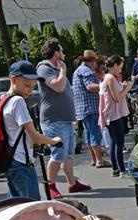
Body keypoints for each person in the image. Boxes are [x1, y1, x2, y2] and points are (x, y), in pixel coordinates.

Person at [37, 38, 91, 199]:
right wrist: (63, 71)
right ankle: (51, 186)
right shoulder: (44, 68)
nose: (64, 54)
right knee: (58, 155)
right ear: (55, 53)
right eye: (61, 51)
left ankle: (72, 184)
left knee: (67, 155)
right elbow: (59, 87)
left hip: (65, 119)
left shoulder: (57, 68)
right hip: (53, 120)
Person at [4, 61, 62, 200]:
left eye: (33, 86)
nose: (29, 90)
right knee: (32, 207)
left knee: (16, 208)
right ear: (13, 80)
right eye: (26, 85)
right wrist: (53, 141)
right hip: (21, 162)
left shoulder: (4, 99)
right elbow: (34, 136)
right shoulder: (18, 102)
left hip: (10, 161)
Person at [73, 50, 109, 168]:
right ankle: (99, 160)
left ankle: (94, 159)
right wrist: (104, 86)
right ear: (93, 61)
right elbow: (90, 86)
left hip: (81, 109)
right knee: (95, 135)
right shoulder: (86, 70)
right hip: (90, 107)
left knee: (88, 136)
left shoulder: (78, 70)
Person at [99, 55, 133, 178]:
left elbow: (114, 94)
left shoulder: (107, 78)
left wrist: (123, 87)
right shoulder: (110, 78)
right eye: (120, 67)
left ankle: (116, 169)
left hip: (110, 114)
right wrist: (128, 88)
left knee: (114, 142)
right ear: (114, 65)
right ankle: (122, 171)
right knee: (119, 143)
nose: (120, 70)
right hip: (113, 115)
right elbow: (117, 98)